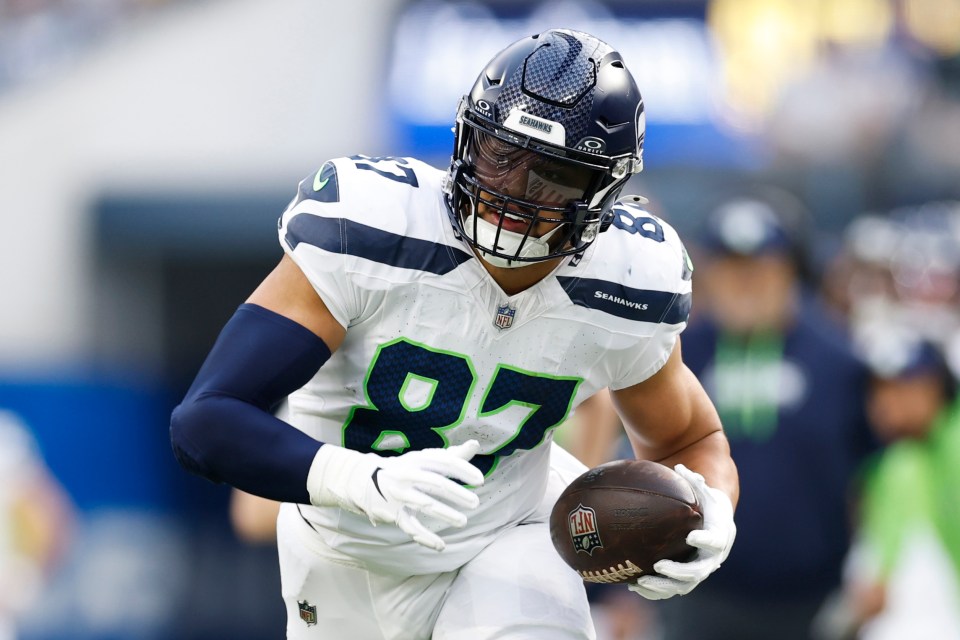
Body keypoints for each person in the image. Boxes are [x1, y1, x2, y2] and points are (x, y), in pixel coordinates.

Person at [169, 29, 738, 640]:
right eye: (500, 154)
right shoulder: (374, 227)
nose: (510, 193)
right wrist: (358, 479)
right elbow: (206, 420)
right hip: (339, 548)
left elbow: (689, 437)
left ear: (602, 192)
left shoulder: (629, 278)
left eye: (551, 175)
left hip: (506, 535)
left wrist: (711, 511)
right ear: (467, 138)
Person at [651, 189, 877, 640]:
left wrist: (870, 563)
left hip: (812, 595)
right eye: (730, 268)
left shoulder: (841, 361)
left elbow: (872, 473)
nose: (745, 283)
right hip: (695, 592)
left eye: (760, 267)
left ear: (791, 271)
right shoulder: (672, 355)